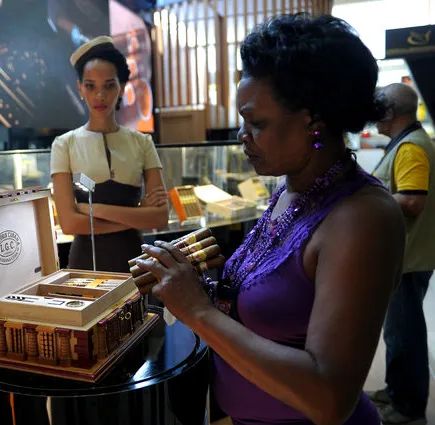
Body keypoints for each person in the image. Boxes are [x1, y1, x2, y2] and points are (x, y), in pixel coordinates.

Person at [135, 14, 406, 425]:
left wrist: (199, 312)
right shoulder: (292, 189)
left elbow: (329, 399)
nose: (242, 135)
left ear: (313, 121)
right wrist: (189, 280)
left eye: (256, 123)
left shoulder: (362, 217)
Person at [50, 36, 169, 273]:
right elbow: (69, 223)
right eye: (90, 85)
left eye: (109, 85)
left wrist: (94, 211)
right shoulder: (64, 144)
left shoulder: (142, 142)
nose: (100, 95)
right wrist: (136, 215)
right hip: (85, 265)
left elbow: (159, 218)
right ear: (80, 89)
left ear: (122, 87)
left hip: (135, 262)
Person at [366, 83, 435, 425]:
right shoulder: (408, 143)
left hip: (408, 259)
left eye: (378, 107)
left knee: (404, 334)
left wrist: (365, 195)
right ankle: (396, 391)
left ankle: (407, 409)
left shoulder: (410, 147)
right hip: (405, 256)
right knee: (399, 332)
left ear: (391, 112)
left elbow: (411, 200)